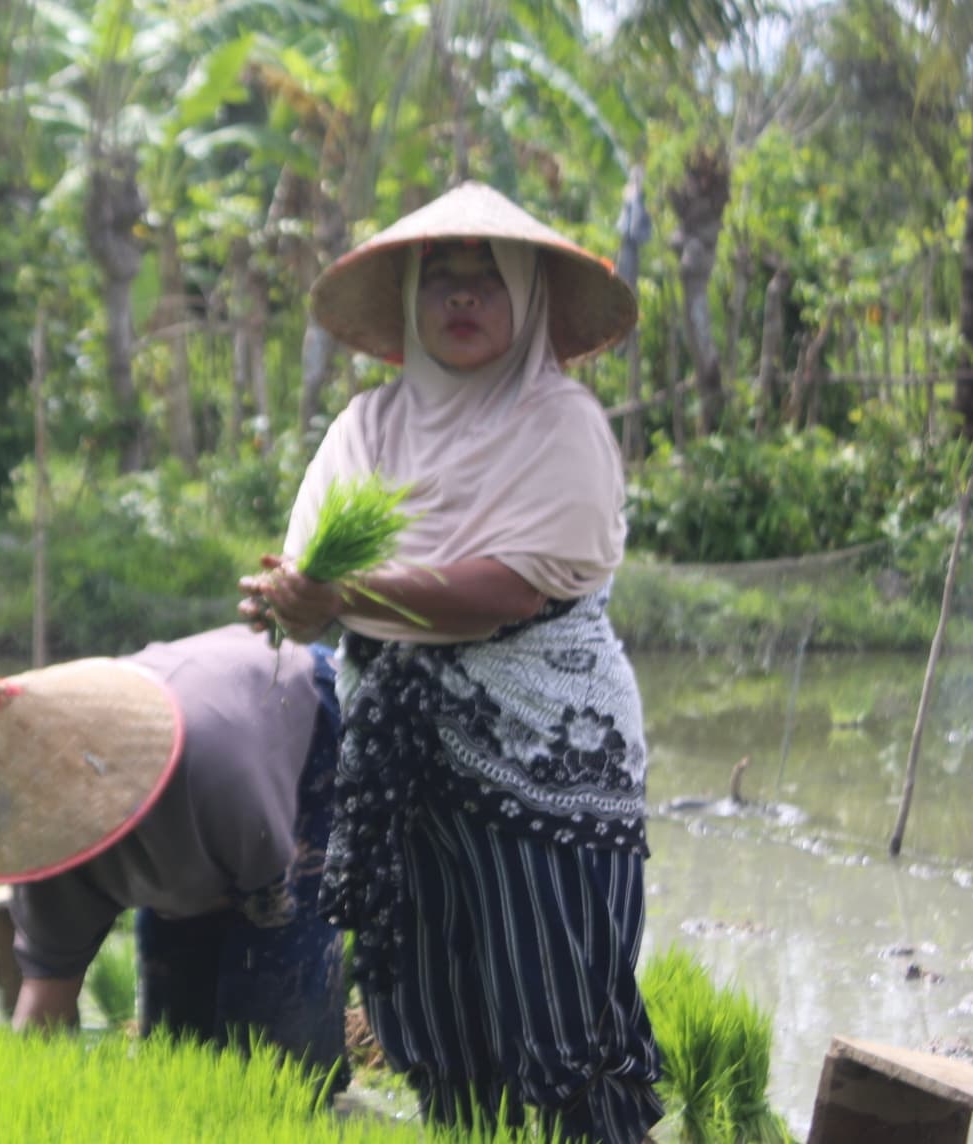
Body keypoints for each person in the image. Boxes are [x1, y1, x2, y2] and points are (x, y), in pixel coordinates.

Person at [238, 182, 661, 1142]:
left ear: (528, 300)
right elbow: (311, 570)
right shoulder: (366, 430)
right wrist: (284, 599)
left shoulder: (560, 424)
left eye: (486, 281)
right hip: (400, 764)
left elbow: (512, 586)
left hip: (545, 760)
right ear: (410, 305)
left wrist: (340, 597)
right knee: (431, 1020)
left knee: (559, 1019)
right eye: (442, 281)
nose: (462, 299)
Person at [0, 625, 347, 1086]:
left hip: (295, 714)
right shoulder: (41, 854)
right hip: (199, 763)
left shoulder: (214, 777)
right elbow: (47, 991)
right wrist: (24, 1098)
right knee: (178, 1047)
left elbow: (268, 889)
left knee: (276, 1042)